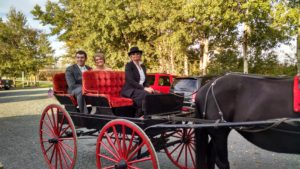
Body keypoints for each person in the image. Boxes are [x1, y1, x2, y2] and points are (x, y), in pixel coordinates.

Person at [121, 47, 154, 116]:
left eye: (138, 54)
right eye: (133, 54)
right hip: (130, 90)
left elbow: (145, 81)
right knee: (145, 94)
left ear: (140, 55)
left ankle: (153, 114)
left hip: (139, 89)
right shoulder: (129, 66)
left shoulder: (143, 66)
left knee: (155, 93)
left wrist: (149, 87)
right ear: (131, 56)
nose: (135, 55)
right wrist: (144, 88)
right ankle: (139, 114)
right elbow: (130, 81)